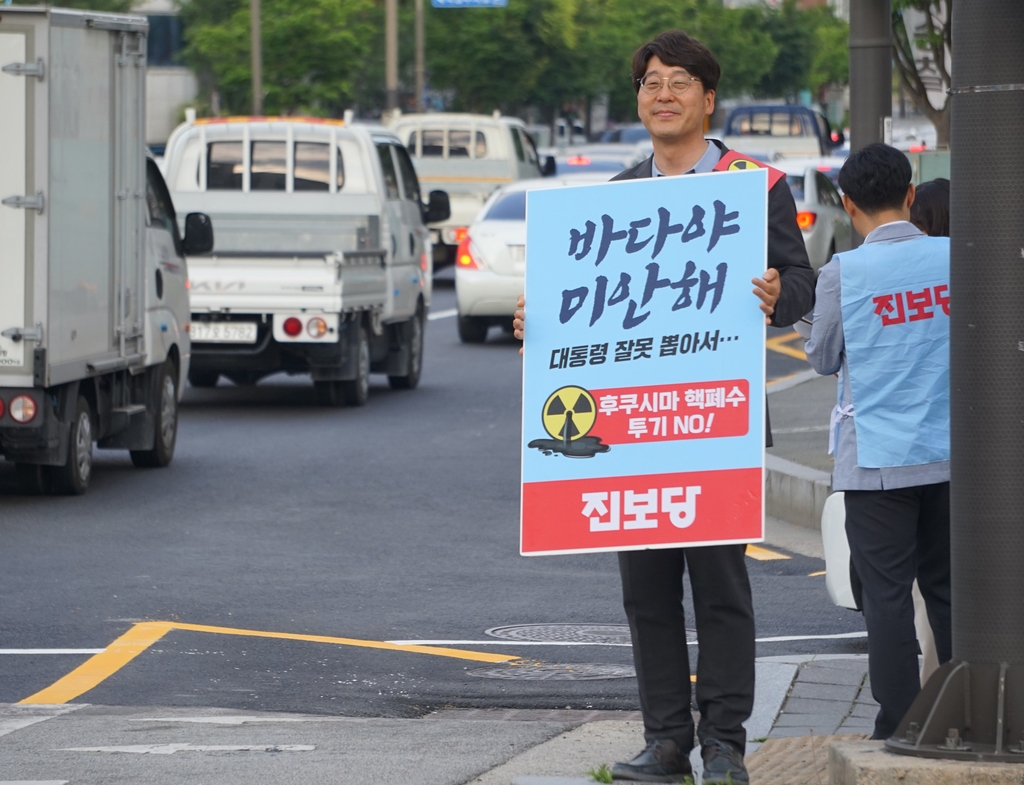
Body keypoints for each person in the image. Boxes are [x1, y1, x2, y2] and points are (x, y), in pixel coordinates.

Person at [514, 30, 814, 784]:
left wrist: (780, 293)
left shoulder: (757, 186)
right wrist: (536, 322)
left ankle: (724, 744)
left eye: (679, 82)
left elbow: (803, 289)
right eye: (651, 82)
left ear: (707, 100)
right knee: (645, 593)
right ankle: (666, 740)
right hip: (629, 432)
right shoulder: (618, 197)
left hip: (714, 423)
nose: (664, 94)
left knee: (720, 589)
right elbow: (583, 310)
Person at [804, 144, 952, 740]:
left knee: (887, 598)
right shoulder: (953, 256)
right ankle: (957, 712)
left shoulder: (844, 272)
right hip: (949, 454)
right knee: (947, 590)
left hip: (877, 464)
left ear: (847, 204)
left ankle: (899, 723)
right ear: (911, 195)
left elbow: (821, 357)